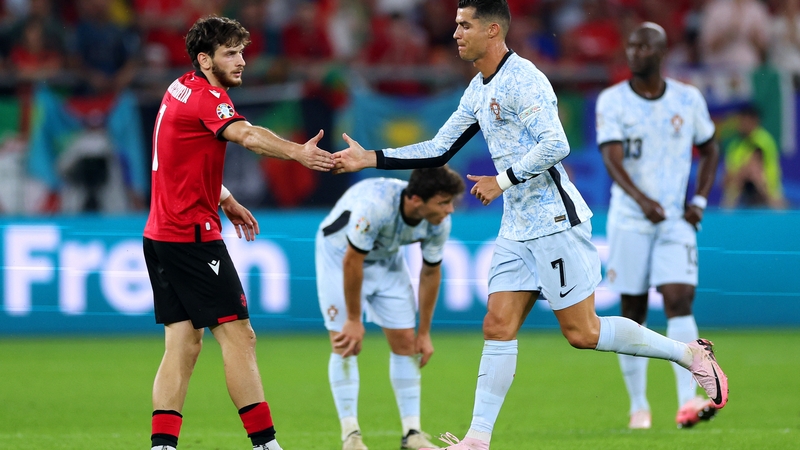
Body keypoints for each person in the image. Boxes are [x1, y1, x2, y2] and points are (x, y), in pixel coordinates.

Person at [332, 2, 728, 449]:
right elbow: (440, 148)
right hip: (516, 227)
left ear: (493, 29)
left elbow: (556, 143)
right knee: (497, 325)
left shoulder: (525, 79)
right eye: (457, 24)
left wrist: (502, 180)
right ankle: (477, 440)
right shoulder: (479, 89)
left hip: (554, 220)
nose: (456, 33)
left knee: (583, 333)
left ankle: (688, 354)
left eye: (466, 25)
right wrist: (371, 158)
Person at [142, 16, 334, 450]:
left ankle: (162, 446)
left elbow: (181, 158)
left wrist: (224, 197)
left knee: (183, 344)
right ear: (205, 59)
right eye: (231, 53)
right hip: (191, 238)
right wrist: (297, 152)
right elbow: (246, 134)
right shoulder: (209, 99)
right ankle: (266, 444)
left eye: (242, 51)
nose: (242, 61)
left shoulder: (180, 87)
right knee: (238, 335)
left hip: (160, 233)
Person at [596, 22, 721, 430]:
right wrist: (642, 200)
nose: (635, 51)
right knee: (632, 309)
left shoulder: (687, 98)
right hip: (630, 220)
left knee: (679, 300)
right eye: (631, 45)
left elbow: (709, 146)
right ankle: (639, 406)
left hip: (675, 221)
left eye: (644, 46)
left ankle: (687, 402)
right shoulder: (613, 101)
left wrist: (699, 200)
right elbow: (612, 158)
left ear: (662, 52)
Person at [317, 166, 465, 450]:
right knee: (345, 343)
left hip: (386, 259)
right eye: (444, 202)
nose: (450, 210)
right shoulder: (375, 206)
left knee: (407, 343)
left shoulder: (438, 222)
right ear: (416, 200)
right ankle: (351, 436)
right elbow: (352, 260)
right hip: (339, 257)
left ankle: (413, 434)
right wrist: (352, 318)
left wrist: (424, 332)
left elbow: (431, 273)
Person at [722, 104, 787, 209]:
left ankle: (778, 211)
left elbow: (762, 170)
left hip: (765, 186)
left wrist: (747, 170)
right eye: (740, 120)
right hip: (741, 187)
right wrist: (739, 173)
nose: (741, 124)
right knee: (735, 182)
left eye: (744, 120)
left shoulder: (765, 141)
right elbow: (727, 178)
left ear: (754, 121)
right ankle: (725, 218)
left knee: (754, 169)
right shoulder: (734, 146)